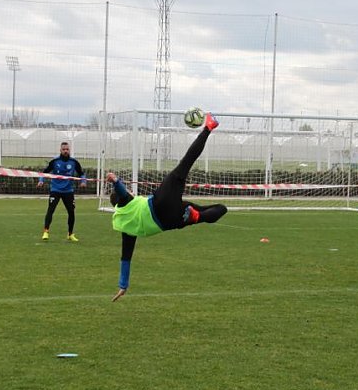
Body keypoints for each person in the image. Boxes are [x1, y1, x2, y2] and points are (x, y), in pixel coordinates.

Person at [106, 112, 228, 301]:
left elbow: (126, 258)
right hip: (160, 204)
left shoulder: (126, 228)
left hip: (170, 222)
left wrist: (123, 285)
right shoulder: (126, 203)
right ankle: (208, 127)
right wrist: (116, 181)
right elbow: (122, 194)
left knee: (220, 209)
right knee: (184, 165)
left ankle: (198, 217)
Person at [37, 141, 87, 242]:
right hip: (55, 190)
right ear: (60, 150)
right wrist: (41, 181)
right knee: (50, 210)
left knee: (71, 212)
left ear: (69, 150)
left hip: (68, 191)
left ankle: (70, 234)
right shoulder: (55, 161)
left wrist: (83, 181)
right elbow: (44, 173)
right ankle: (46, 231)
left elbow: (82, 173)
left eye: (67, 149)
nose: (65, 151)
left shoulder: (74, 162)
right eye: (63, 149)